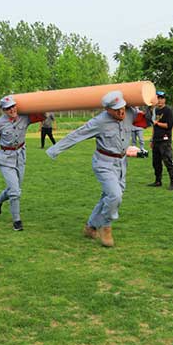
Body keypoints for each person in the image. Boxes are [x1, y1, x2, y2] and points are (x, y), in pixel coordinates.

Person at [46, 90, 148, 247]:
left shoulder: (130, 112)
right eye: (116, 110)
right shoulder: (99, 122)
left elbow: (146, 122)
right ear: (107, 110)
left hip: (121, 163)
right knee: (115, 196)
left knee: (108, 197)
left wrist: (151, 104)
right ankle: (106, 227)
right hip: (104, 163)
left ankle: (91, 226)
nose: (121, 111)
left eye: (122, 107)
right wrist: (54, 150)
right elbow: (77, 135)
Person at [0, 95, 44, 231]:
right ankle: (17, 221)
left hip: (20, 156)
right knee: (15, 192)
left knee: (14, 189)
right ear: (4, 110)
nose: (12, 110)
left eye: (13, 106)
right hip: (6, 158)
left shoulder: (24, 117)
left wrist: (41, 99)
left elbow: (42, 115)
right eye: (8, 108)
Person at [147, 91, 173, 190]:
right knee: (156, 163)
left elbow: (169, 125)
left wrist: (157, 123)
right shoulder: (155, 111)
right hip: (156, 140)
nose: (159, 100)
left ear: (164, 100)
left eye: (161, 98)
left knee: (168, 161)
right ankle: (158, 181)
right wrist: (152, 139)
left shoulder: (168, 111)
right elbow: (154, 127)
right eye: (158, 98)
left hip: (165, 140)